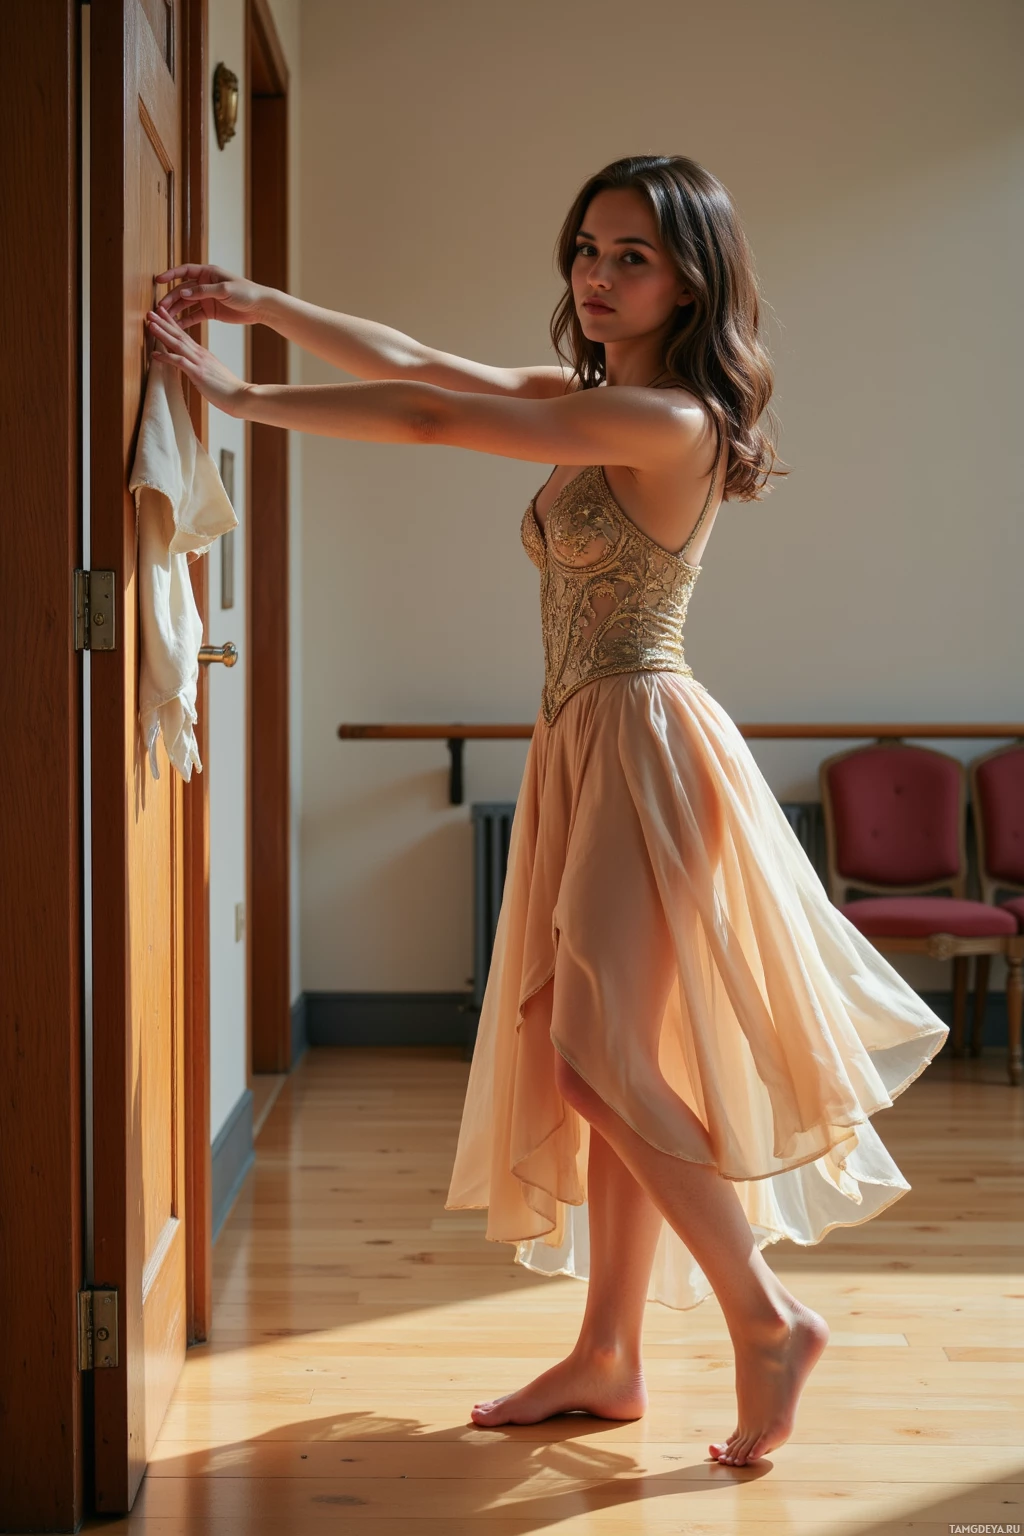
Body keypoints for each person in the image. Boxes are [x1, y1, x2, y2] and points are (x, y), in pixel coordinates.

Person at [149, 153, 949, 1468]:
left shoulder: (673, 422)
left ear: (693, 274)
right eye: (586, 247)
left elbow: (426, 421)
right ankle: (611, 1353)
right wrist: (266, 303)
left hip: (643, 740)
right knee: (607, 1063)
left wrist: (238, 395)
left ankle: (763, 1320)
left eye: (632, 253)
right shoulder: (603, 400)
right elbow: (430, 367)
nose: (596, 273)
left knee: (598, 1057)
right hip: (591, 740)